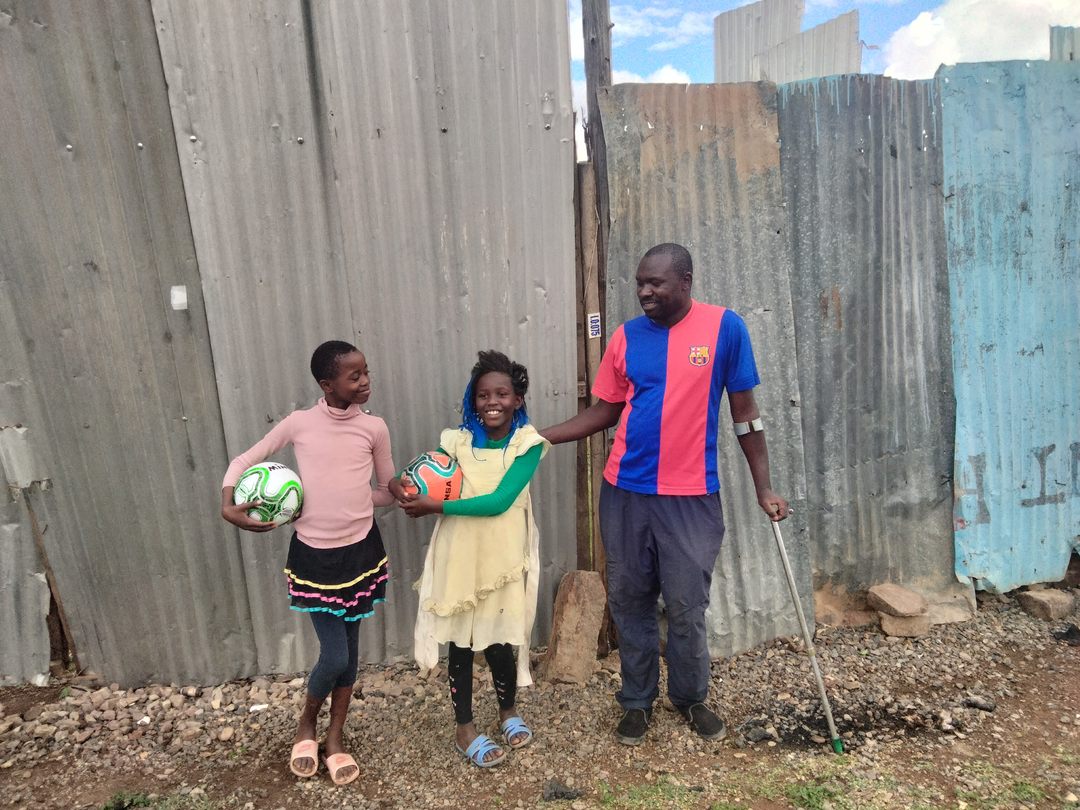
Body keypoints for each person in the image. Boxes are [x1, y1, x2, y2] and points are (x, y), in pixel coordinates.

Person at [540, 243, 789, 746]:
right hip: (625, 493)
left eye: (655, 283)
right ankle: (636, 701)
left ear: (685, 281)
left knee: (686, 605)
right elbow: (605, 411)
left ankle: (691, 697)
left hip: (691, 497)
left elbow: (746, 415)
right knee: (630, 600)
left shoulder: (725, 328)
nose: (644, 292)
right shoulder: (626, 337)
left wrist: (763, 487)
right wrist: (540, 438)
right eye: (640, 283)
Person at [220, 340, 403, 785]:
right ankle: (307, 724)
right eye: (354, 376)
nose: (365, 382)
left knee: (350, 655)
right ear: (327, 384)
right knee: (334, 654)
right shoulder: (299, 424)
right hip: (315, 560)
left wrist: (396, 494)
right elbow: (244, 460)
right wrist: (228, 504)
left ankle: (335, 737)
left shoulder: (374, 428)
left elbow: (385, 488)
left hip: (361, 554)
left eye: (366, 372)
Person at [397, 350, 550, 769]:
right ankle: (464, 728)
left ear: (518, 399)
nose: (492, 402)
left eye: (502, 393)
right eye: (483, 395)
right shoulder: (455, 442)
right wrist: (402, 488)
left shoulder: (527, 444)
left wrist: (435, 507)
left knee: (500, 639)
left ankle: (508, 712)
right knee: (461, 644)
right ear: (473, 399)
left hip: (501, 559)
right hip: (460, 555)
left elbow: (500, 501)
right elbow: (418, 475)